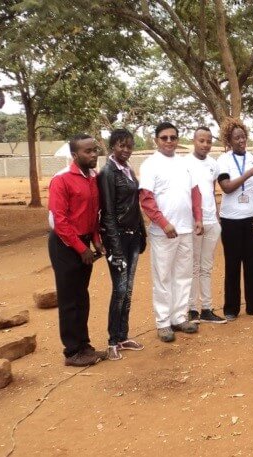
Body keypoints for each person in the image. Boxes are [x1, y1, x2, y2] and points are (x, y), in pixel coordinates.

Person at [139, 122, 203, 342]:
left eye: (173, 137)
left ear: (177, 139)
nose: (169, 141)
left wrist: (198, 218)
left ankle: (179, 317)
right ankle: (164, 322)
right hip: (163, 232)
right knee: (163, 277)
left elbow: (195, 193)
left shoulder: (184, 164)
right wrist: (163, 223)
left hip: (185, 230)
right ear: (156, 140)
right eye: (164, 137)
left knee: (183, 275)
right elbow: (146, 199)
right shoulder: (150, 165)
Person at [48, 134, 106, 366]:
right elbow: (59, 221)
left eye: (95, 150)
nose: (93, 154)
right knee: (69, 299)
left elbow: (93, 215)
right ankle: (72, 352)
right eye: (87, 151)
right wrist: (82, 249)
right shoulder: (61, 179)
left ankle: (84, 346)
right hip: (65, 245)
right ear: (74, 155)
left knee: (82, 296)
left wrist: (96, 240)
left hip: (84, 243)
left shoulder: (93, 177)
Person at [97, 129, 146, 361]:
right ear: (112, 147)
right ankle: (112, 342)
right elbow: (107, 213)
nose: (125, 150)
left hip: (133, 237)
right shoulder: (107, 172)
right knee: (119, 290)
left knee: (128, 290)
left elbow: (134, 205)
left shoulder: (127, 170)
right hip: (117, 239)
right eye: (121, 145)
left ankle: (123, 336)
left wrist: (141, 233)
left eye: (129, 146)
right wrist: (115, 248)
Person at [217, 118, 253, 320]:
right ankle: (231, 308)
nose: (241, 140)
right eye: (236, 138)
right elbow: (227, 187)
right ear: (229, 141)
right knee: (233, 264)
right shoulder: (223, 160)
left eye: (243, 136)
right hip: (231, 220)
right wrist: (248, 174)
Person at [185, 127, 226, 324]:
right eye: (201, 140)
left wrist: (216, 215)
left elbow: (210, 189)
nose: (205, 144)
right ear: (194, 141)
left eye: (209, 141)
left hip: (211, 221)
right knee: (193, 267)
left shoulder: (213, 164)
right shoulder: (185, 163)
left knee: (206, 267)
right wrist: (194, 218)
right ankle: (192, 310)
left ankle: (207, 309)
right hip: (194, 222)